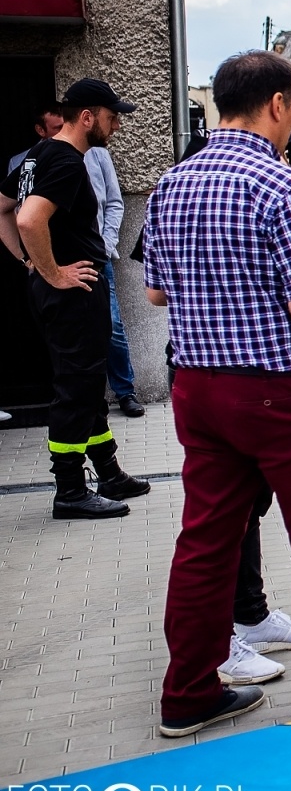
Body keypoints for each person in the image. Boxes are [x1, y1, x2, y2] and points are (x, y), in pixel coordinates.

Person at [144, 49, 291, 738]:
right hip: (280, 395)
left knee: (205, 540)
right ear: (276, 104)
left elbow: (155, 290)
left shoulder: (170, 183)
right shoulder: (282, 185)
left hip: (199, 389)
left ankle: (187, 694)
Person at [0, 79, 149, 519]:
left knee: (87, 382)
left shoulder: (38, 154)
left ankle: (108, 471)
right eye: (111, 115)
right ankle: (70, 490)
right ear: (87, 116)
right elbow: (27, 219)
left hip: (62, 292)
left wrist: (31, 266)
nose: (116, 124)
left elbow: (2, 207)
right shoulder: (66, 160)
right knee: (75, 387)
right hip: (73, 293)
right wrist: (52, 272)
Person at [84, 129, 144, 417]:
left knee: (112, 326)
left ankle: (125, 391)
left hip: (97, 256)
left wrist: (105, 246)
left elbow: (115, 202)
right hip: (58, 259)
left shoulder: (97, 155)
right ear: (41, 130)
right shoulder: (30, 159)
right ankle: (84, 397)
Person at [8, 104, 65, 175]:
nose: (66, 131)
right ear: (40, 130)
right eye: (59, 128)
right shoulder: (18, 163)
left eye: (68, 126)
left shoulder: (81, 155)